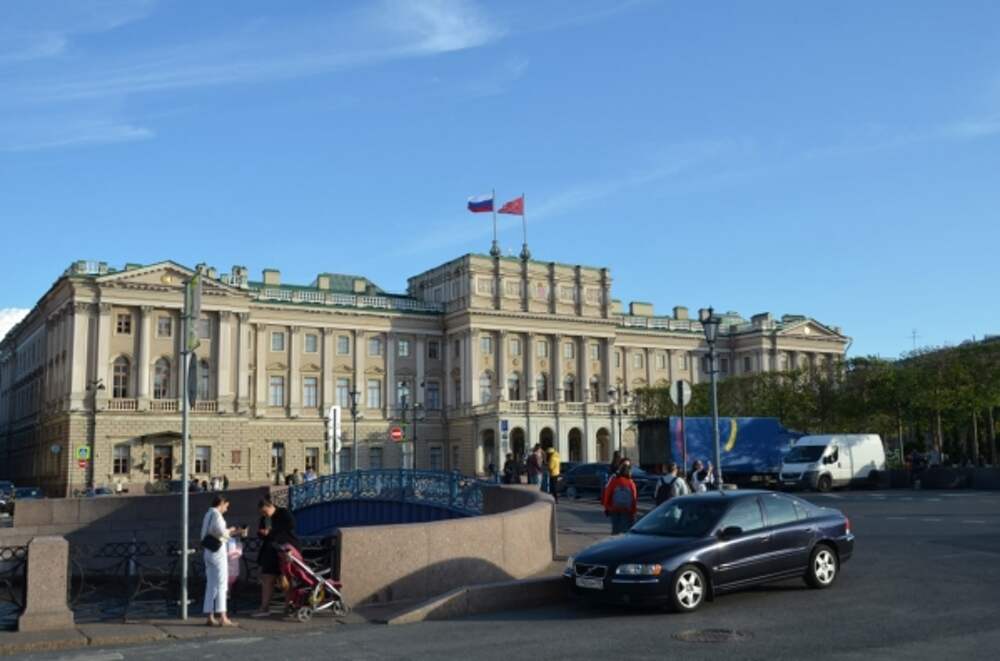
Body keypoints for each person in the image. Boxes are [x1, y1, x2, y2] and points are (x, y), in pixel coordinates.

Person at [253, 497, 300, 617]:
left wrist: (271, 531)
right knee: (267, 578)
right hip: (270, 551)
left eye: (265, 511)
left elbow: (291, 525)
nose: (264, 514)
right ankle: (264, 607)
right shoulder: (265, 518)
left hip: (285, 549)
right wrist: (262, 533)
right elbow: (262, 533)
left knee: (286, 579)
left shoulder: (283, 512)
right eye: (262, 513)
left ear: (271, 506)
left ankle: (288, 606)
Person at [201, 495, 239, 626]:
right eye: (226, 506)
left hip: (208, 551)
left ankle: (209, 616)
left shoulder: (207, 514)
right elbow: (221, 532)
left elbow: (207, 532)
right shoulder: (217, 515)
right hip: (218, 553)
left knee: (211, 584)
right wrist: (232, 531)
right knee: (222, 584)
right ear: (222, 503)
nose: (226, 509)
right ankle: (223, 617)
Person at [602, 462, 638, 535]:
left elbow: (607, 494)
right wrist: (633, 511)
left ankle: (615, 540)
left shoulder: (614, 481)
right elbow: (634, 498)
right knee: (625, 531)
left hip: (614, 508)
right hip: (626, 509)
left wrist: (607, 507)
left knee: (615, 530)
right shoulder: (631, 483)